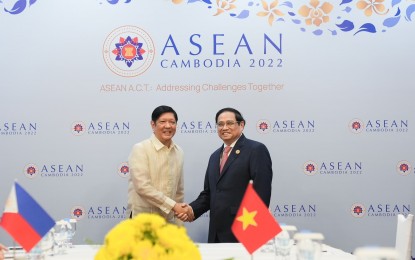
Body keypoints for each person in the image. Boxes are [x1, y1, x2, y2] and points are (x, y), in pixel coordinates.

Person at [178, 107, 273, 242]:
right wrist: (192, 210)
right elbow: (209, 193)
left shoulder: (256, 150)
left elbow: (261, 193)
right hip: (216, 233)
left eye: (229, 123)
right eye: (220, 124)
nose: (224, 127)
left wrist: (251, 234)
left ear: (241, 125)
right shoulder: (214, 156)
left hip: (244, 231)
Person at [126, 105, 190, 224]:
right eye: (162, 122)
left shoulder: (179, 152)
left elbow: (179, 191)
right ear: (153, 125)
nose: (168, 126)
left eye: (172, 122)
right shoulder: (141, 148)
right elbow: (142, 187)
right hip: (143, 220)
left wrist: (178, 219)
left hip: (168, 221)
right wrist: (173, 205)